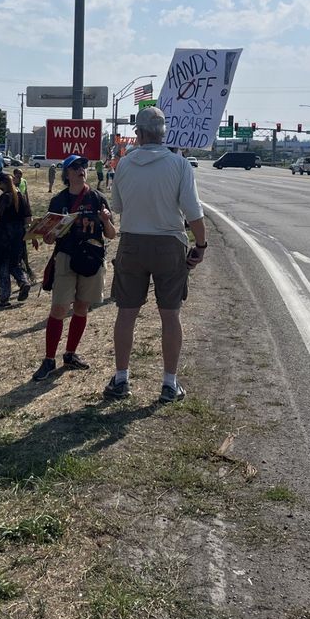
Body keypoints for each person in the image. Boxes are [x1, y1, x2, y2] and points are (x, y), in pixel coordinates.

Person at [105, 107, 205, 404]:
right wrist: (201, 245)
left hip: (133, 243)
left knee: (126, 313)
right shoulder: (179, 164)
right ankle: (169, 383)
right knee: (170, 315)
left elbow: (118, 206)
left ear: (139, 133)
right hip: (169, 245)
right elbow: (194, 213)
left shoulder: (123, 165)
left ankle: (122, 379)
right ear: (163, 133)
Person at [30, 155, 117, 381]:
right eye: (76, 167)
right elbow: (50, 239)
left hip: (91, 258)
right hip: (67, 257)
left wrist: (106, 220)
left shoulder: (98, 198)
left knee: (81, 307)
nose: (82, 170)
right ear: (67, 173)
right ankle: (49, 359)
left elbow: (111, 234)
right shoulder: (58, 201)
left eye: (84, 166)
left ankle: (70, 354)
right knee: (59, 308)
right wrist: (47, 235)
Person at [0, 173, 33, 307]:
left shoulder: (5, 197)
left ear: (3, 184)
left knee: (2, 265)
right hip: (18, 235)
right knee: (15, 263)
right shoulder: (21, 196)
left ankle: (4, 298)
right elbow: (28, 218)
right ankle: (24, 281)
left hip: (3, 234)